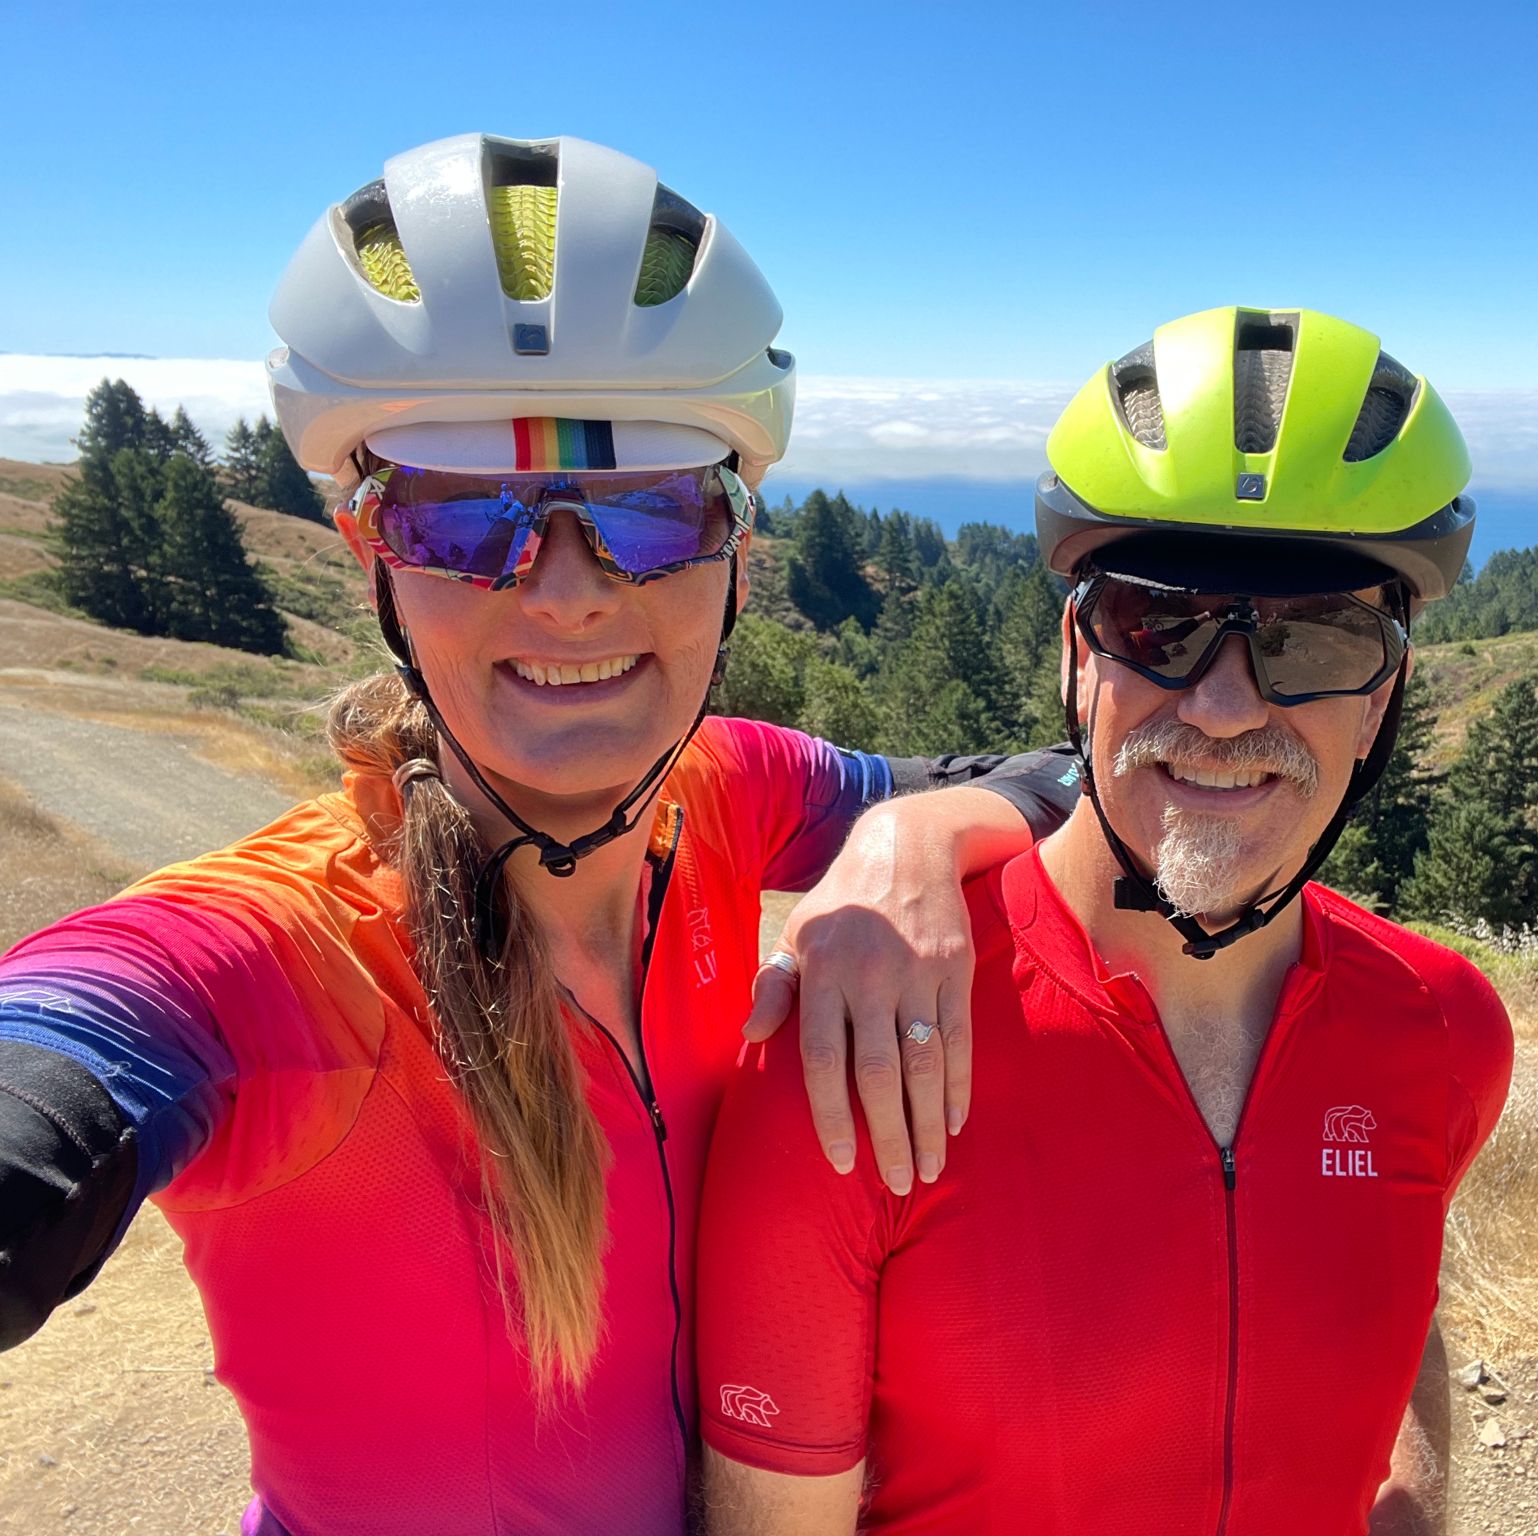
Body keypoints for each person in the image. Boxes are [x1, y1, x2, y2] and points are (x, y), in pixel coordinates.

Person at [0, 134, 1076, 1535]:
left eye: (645, 513)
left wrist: (915, 843)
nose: (564, 594)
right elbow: (69, 1053)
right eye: (461, 524)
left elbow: (1053, 773)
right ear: (371, 554)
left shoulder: (733, 789)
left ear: (740, 551)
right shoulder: (271, 954)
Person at [695, 306, 1514, 1534]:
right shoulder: (851, 1056)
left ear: (1383, 691)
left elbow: (1404, 1296)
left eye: (1311, 637)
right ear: (1079, 656)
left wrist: (1416, 1511)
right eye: (1161, 627)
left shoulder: (1441, 1027)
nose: (1229, 706)